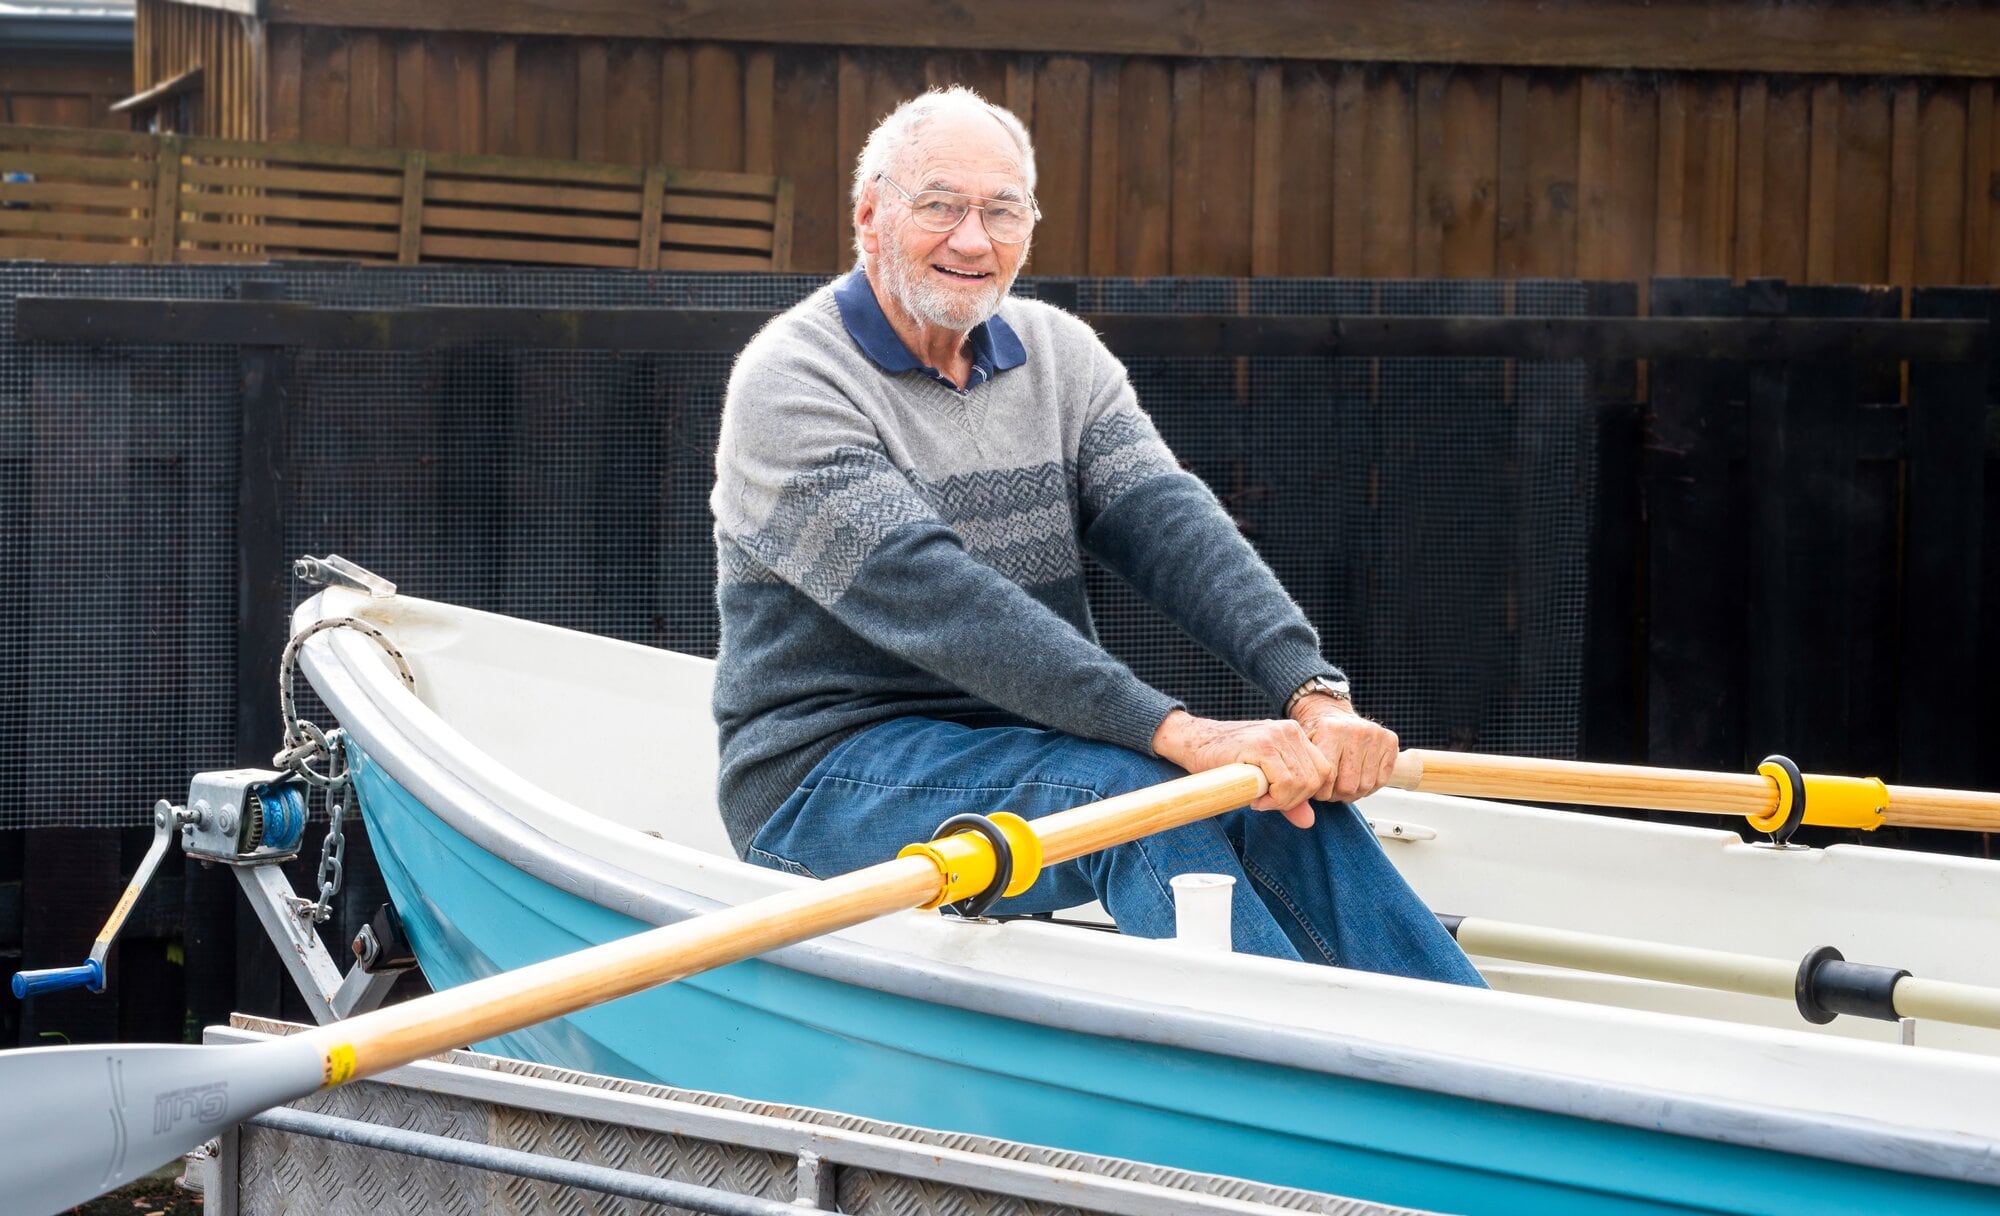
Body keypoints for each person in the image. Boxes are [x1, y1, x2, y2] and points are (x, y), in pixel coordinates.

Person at [710, 87, 1482, 985]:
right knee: (1147, 797)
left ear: (1030, 228)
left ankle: (1482, 1067)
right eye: (941, 206)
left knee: (1283, 796)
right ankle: (1292, 1090)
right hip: (823, 779)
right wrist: (1175, 730)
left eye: (1002, 211)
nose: (973, 239)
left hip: (1028, 747)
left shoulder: (1060, 356)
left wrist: (1312, 694)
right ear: (871, 215)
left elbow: (1176, 530)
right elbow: (944, 604)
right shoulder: (790, 381)